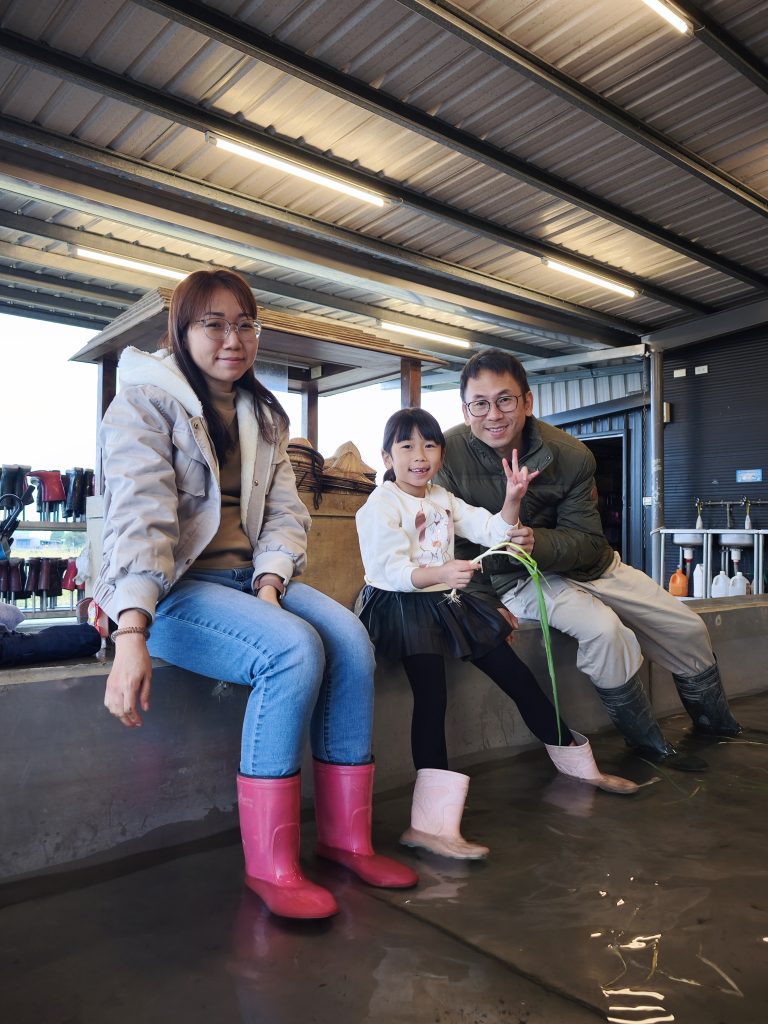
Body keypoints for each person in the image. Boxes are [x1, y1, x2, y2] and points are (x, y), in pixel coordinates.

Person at [95, 268, 417, 920]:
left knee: (351, 639)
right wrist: (130, 632)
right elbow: (140, 519)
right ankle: (271, 866)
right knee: (292, 650)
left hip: (248, 580)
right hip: (168, 591)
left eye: (245, 324)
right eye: (213, 324)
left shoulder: (263, 415)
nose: (233, 339)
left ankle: (346, 840)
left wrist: (270, 582)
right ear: (180, 332)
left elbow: (285, 515)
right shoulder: (143, 404)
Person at [434, 348, 742, 771]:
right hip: (517, 579)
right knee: (606, 633)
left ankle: (718, 730)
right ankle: (649, 746)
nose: (494, 415)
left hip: (590, 564)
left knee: (686, 627)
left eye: (505, 400)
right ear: (465, 410)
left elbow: (588, 541)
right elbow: (452, 546)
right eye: (480, 404)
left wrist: (537, 542)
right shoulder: (447, 456)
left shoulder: (572, 454)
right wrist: (486, 605)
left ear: (527, 401)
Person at [356, 408, 637, 861]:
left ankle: (580, 767)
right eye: (406, 447)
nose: (419, 456)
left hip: (447, 597)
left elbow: (493, 530)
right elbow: (389, 570)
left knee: (517, 675)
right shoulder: (381, 504)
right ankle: (429, 827)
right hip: (403, 605)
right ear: (387, 457)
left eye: (429, 445)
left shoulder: (442, 497)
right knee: (432, 698)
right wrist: (441, 572)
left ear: (441, 454)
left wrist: (512, 498)